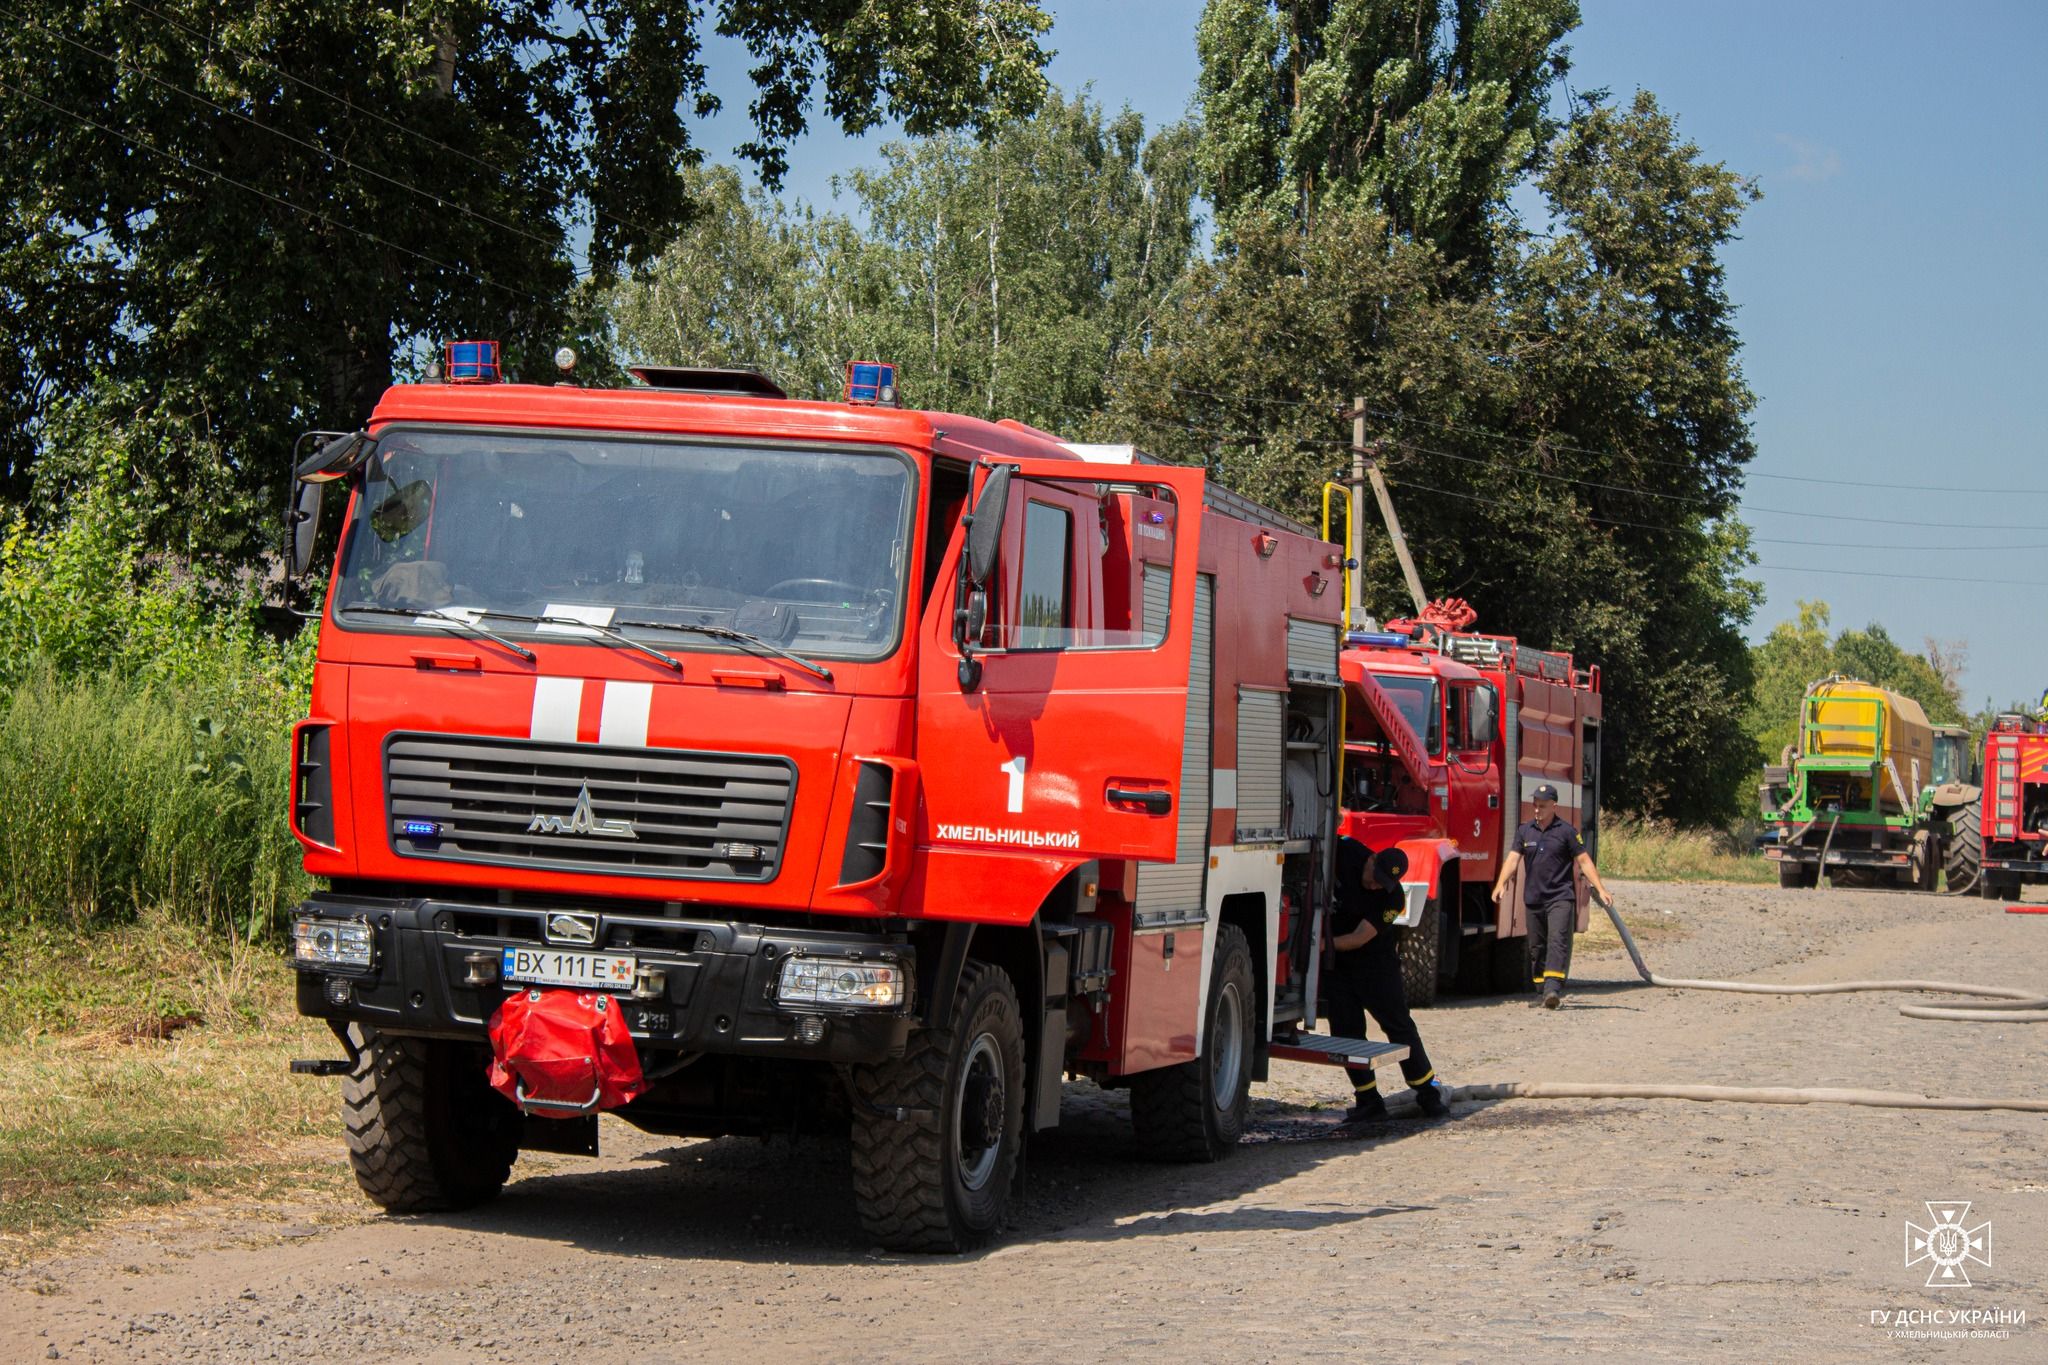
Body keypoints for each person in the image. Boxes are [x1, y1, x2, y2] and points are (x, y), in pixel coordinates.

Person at [1328, 836, 1449, 1121]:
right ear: (1371, 859)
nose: (1375, 886)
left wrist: (1320, 946)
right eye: (1375, 877)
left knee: (1399, 1026)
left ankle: (1429, 1095)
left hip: (1375, 966)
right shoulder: (1347, 852)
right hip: (1339, 967)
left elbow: (1359, 938)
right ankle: (1368, 1100)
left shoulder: (1393, 898)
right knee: (1346, 1031)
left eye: (1382, 883)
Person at [1491, 783, 1614, 1009]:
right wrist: (1500, 884)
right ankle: (1541, 991)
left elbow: (1584, 861)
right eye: (1535, 805)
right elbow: (1512, 860)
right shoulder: (1524, 831)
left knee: (1557, 942)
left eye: (1543, 806)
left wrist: (1601, 888)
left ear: (1554, 805)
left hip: (1560, 897)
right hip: (1533, 899)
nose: (1537, 810)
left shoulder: (1566, 832)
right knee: (1536, 947)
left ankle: (1552, 989)